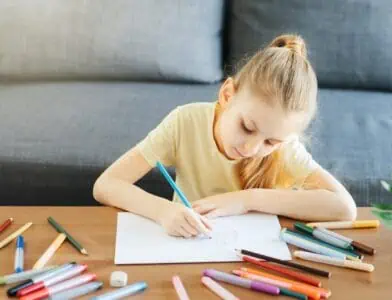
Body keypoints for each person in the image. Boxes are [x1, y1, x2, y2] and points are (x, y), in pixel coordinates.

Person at [93, 34, 357, 238]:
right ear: (227, 95)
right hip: (187, 250)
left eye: (271, 142)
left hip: (257, 266)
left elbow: (345, 209)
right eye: (247, 127)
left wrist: (246, 200)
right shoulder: (184, 123)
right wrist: (163, 211)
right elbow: (106, 185)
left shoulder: (285, 148)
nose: (252, 147)